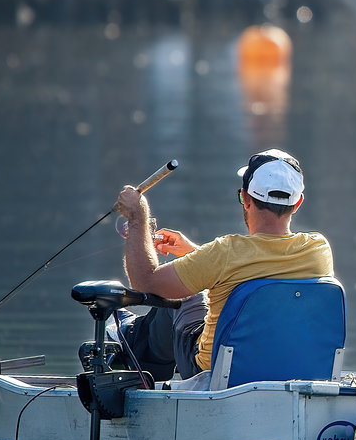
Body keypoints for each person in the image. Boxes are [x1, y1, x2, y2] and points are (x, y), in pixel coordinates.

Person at [113, 148, 334, 387]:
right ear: (298, 202)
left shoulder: (225, 253)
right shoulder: (318, 250)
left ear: (245, 199)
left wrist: (138, 216)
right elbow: (253, 268)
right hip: (290, 365)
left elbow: (146, 283)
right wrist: (196, 255)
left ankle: (132, 346)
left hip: (214, 369)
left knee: (181, 299)